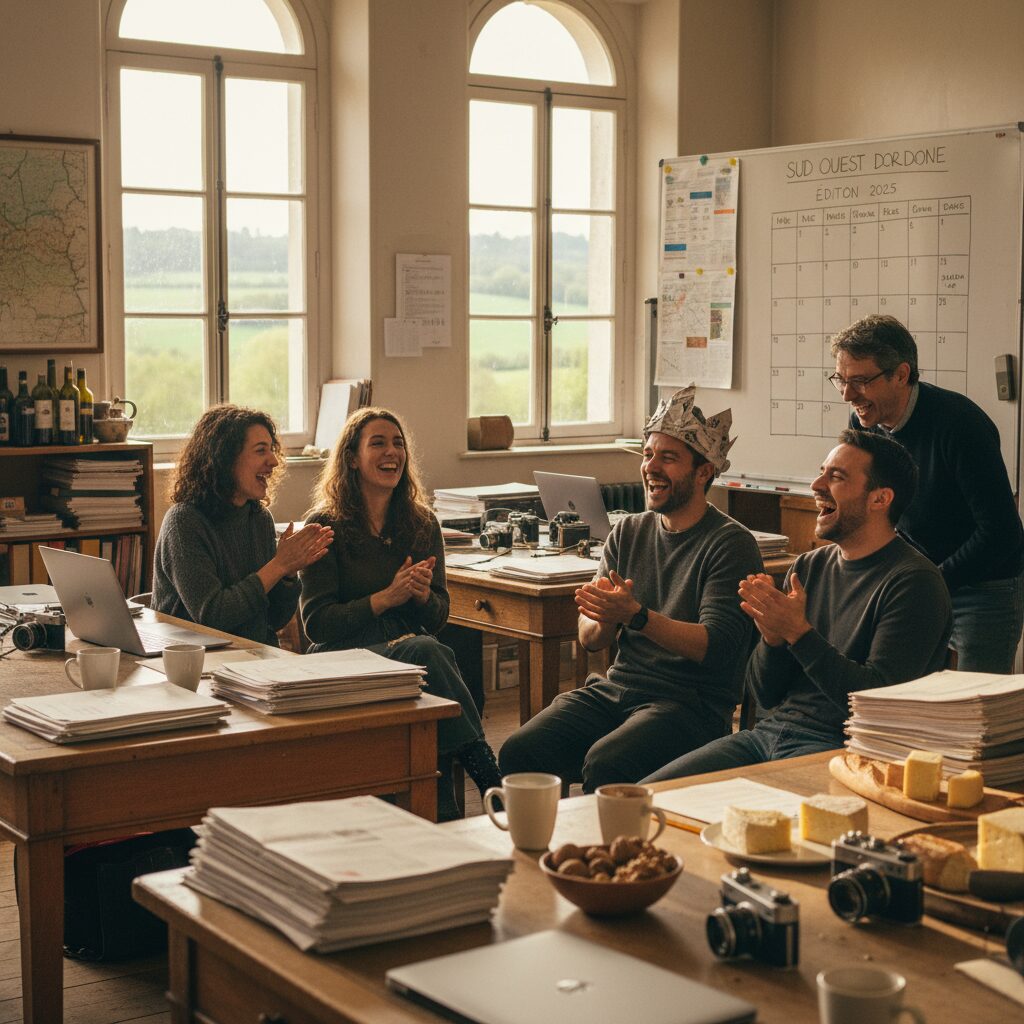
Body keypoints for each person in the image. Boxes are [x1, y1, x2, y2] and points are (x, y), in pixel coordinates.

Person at [644, 430, 952, 782]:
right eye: (822, 471)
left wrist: (798, 633)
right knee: (647, 798)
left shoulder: (914, 583)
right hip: (767, 737)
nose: (817, 484)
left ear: (880, 499)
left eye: (836, 477)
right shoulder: (809, 566)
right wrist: (773, 640)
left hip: (845, 751)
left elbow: (875, 702)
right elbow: (766, 694)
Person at [498, 386, 763, 792]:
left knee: (606, 763)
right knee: (520, 750)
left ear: (704, 471)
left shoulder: (731, 543)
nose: (650, 467)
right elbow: (589, 639)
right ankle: (540, 852)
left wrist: (636, 616)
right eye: (648, 454)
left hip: (690, 705)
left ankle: (607, 854)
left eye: (668, 458)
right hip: (617, 688)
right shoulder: (629, 531)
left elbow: (715, 648)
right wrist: (603, 619)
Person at [299, 407, 501, 819]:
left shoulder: (422, 523)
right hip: (339, 654)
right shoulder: (324, 525)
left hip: (405, 649)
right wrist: (384, 599)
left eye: (398, 443)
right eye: (378, 443)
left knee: (429, 653)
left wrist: (423, 597)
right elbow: (316, 624)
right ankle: (491, 779)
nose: (392, 452)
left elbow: (440, 616)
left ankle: (443, 813)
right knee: (428, 652)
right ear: (352, 457)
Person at [830, 314, 1024, 673]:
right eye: (840, 379)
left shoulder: (960, 425)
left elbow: (1002, 533)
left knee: (975, 712)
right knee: (902, 695)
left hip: (985, 587)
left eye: (860, 381)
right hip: (918, 577)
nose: (847, 395)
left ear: (901, 374)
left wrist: (932, 580)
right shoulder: (864, 422)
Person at [153, 405, 333, 646]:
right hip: (198, 664)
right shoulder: (184, 521)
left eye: (272, 450)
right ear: (225, 459)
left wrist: (288, 574)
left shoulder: (259, 519)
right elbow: (213, 616)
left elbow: (275, 620)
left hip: (254, 660)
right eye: (261, 451)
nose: (273, 461)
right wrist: (278, 565)